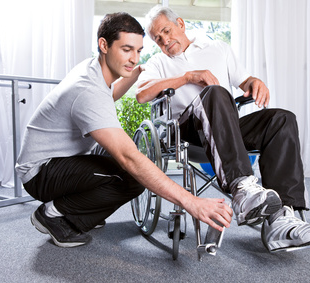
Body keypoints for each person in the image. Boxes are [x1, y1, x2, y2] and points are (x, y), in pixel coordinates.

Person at [15, 12, 233, 248]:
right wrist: (192, 202)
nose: (133, 58)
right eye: (126, 49)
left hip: (64, 159)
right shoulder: (87, 90)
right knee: (131, 178)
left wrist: (136, 72)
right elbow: (129, 157)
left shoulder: (93, 69)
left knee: (126, 164)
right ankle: (53, 214)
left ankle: (81, 208)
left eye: (138, 51)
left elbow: (110, 94)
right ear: (104, 45)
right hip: (41, 172)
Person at [136, 5, 310, 252]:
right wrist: (187, 77)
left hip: (226, 128)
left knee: (281, 119)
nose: (164, 40)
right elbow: (142, 94)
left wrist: (254, 81)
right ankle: (242, 188)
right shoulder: (158, 62)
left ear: (181, 24)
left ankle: (282, 220)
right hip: (187, 133)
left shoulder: (218, 49)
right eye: (158, 39)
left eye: (166, 31)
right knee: (215, 92)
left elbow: (244, 81)